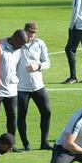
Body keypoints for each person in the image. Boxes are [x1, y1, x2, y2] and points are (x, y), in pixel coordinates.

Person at [17, 22, 54, 151]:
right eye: (29, 33)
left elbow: (47, 62)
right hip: (21, 88)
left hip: (38, 86)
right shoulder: (18, 45)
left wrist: (38, 66)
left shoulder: (40, 44)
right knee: (21, 115)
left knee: (47, 111)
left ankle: (44, 142)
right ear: (24, 31)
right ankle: (25, 143)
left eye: (34, 33)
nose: (32, 35)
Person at [0, 29, 28, 150]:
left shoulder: (18, 51)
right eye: (22, 43)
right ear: (15, 39)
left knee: (12, 117)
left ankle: (10, 145)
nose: (22, 46)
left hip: (12, 90)